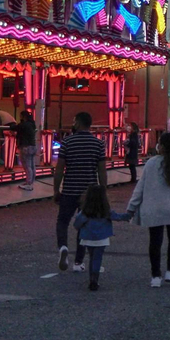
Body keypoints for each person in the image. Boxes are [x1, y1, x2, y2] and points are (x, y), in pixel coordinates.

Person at [126, 131, 170, 287]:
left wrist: (131, 208)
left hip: (153, 209)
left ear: (161, 146)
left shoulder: (151, 163)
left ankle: (155, 276)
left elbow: (140, 188)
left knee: (155, 242)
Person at [52, 112, 106, 272]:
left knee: (62, 221)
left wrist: (56, 189)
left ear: (79, 123)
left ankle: (62, 247)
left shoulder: (67, 142)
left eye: (74, 120)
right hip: (89, 193)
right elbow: (102, 171)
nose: (72, 123)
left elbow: (60, 168)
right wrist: (102, 191)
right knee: (84, 225)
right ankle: (78, 262)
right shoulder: (98, 144)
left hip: (69, 189)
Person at [71, 183, 130, 291]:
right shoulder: (106, 211)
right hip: (102, 238)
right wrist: (129, 215)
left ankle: (92, 279)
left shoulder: (85, 212)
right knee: (97, 258)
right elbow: (118, 217)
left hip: (88, 237)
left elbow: (77, 224)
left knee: (91, 257)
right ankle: (95, 279)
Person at [15, 105, 38, 191]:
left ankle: (29, 184)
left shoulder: (24, 125)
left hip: (25, 147)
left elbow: (16, 127)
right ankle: (31, 182)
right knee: (32, 165)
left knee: (27, 166)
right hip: (33, 146)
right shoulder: (32, 124)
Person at [125, 122, 141, 186]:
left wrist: (127, 143)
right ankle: (133, 178)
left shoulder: (133, 135)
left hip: (132, 152)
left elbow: (133, 143)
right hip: (133, 152)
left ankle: (133, 178)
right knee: (131, 166)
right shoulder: (134, 134)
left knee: (132, 166)